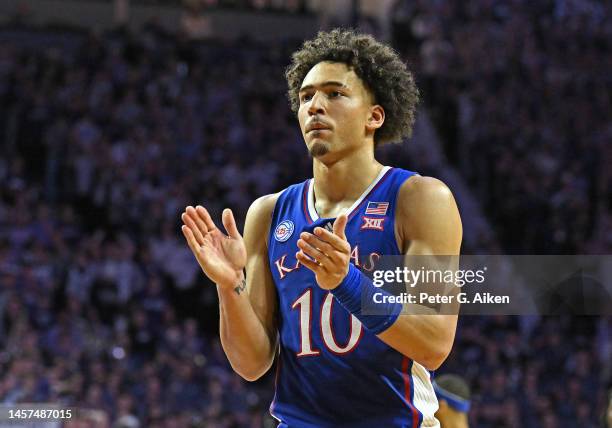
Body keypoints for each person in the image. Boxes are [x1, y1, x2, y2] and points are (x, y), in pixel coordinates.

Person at [181, 29, 462, 427]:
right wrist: (230, 288)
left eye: (334, 94)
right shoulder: (269, 212)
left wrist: (348, 282)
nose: (315, 106)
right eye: (306, 96)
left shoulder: (420, 199)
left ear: (374, 116)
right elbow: (251, 364)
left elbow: (434, 344)